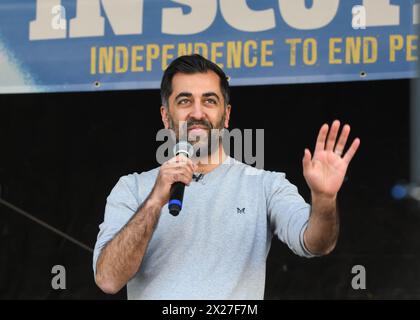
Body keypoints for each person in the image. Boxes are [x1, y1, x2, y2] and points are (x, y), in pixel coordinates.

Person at [93, 54, 360, 299]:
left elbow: (315, 243)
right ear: (165, 116)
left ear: (226, 114)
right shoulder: (132, 188)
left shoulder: (266, 185)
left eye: (209, 100)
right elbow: (108, 280)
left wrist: (324, 199)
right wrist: (153, 202)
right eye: (185, 101)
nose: (197, 113)